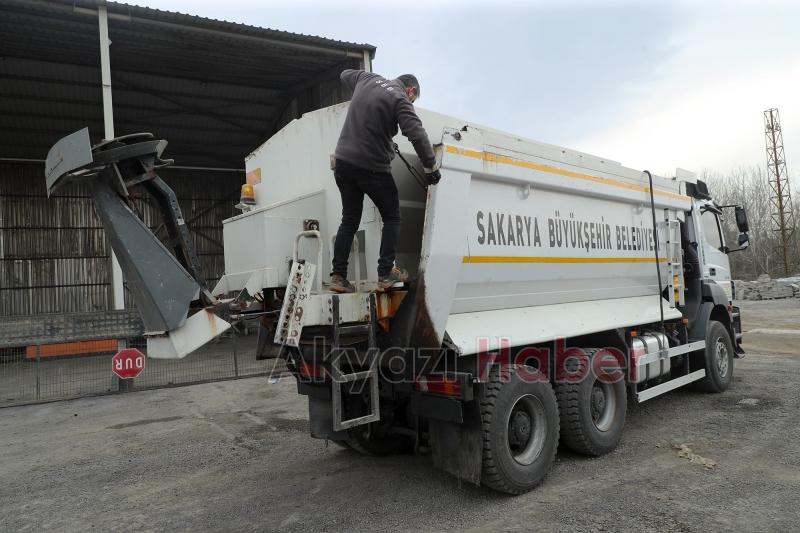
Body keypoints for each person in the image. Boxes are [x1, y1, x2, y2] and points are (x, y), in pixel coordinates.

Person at [329, 70, 441, 293]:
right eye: (413, 99)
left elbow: (343, 74)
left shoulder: (365, 78)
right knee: (392, 216)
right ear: (411, 91)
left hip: (342, 162)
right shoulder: (400, 99)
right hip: (371, 167)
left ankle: (338, 277)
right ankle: (385, 274)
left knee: (349, 219)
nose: (411, 102)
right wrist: (430, 167)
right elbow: (417, 134)